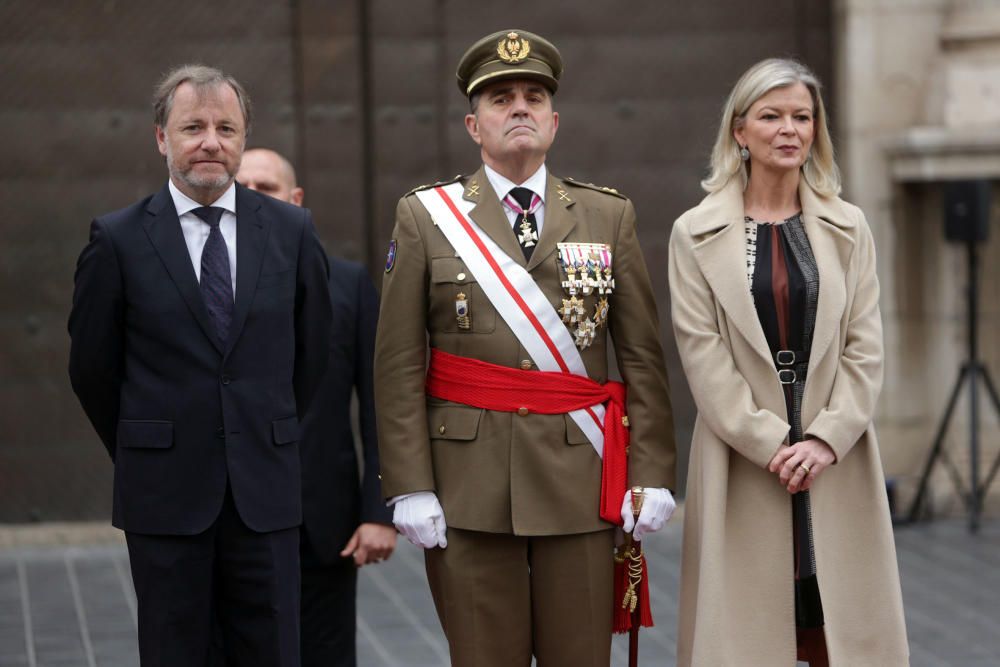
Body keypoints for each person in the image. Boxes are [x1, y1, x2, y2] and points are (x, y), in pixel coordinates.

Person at [374, 29, 677, 666]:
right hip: (468, 487)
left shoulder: (606, 215)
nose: (519, 108)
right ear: (473, 124)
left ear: (554, 121)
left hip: (581, 481)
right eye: (501, 98)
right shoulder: (426, 217)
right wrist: (409, 484)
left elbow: (643, 360)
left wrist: (651, 475)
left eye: (534, 97)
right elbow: (399, 363)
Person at [68, 65, 332, 667]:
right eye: (193, 127)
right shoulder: (117, 240)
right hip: (164, 497)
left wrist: (260, 433)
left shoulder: (292, 233)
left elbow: (313, 356)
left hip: (263, 495)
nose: (211, 141)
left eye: (225, 128)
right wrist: (149, 443)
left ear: (242, 139)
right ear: (161, 138)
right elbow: (92, 369)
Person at [668, 58, 908, 666]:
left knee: (843, 634)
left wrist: (825, 439)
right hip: (744, 462)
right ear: (739, 132)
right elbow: (702, 354)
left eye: (802, 116)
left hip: (836, 461)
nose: (789, 130)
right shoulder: (693, 233)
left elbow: (865, 347)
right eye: (771, 116)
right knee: (746, 637)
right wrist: (773, 442)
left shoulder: (849, 227)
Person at [237, 148, 396, 667]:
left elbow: (381, 406)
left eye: (267, 188)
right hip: (231, 516)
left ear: (296, 200)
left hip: (324, 524)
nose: (253, 197)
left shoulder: (348, 283)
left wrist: (380, 512)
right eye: (243, 187)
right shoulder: (205, 284)